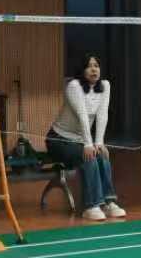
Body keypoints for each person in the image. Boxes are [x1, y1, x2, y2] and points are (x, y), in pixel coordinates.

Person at [48, 53, 122, 221]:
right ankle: (91, 205)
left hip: (81, 140)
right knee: (89, 156)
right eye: (89, 66)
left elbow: (102, 115)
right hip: (59, 140)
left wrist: (99, 143)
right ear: (82, 70)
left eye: (96, 66)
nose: (94, 69)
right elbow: (82, 115)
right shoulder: (74, 86)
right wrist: (89, 145)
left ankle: (109, 202)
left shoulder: (105, 86)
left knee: (101, 154)